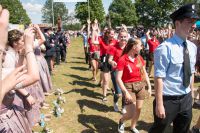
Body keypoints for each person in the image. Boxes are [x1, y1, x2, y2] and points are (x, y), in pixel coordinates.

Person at [149, 3, 199, 133]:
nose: (194, 26)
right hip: (168, 100)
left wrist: (191, 95)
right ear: (177, 23)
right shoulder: (165, 48)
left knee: (183, 130)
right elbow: (159, 77)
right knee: (160, 130)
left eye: (195, 22)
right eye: (190, 21)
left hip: (186, 97)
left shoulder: (192, 47)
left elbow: (191, 72)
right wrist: (159, 104)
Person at [116, 38, 151, 133]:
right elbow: (118, 78)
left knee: (138, 109)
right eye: (141, 45)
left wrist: (149, 86)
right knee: (131, 113)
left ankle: (133, 126)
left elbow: (144, 72)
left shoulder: (139, 58)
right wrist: (125, 92)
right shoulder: (123, 59)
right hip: (128, 86)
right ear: (134, 47)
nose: (142, 47)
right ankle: (122, 121)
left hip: (140, 85)